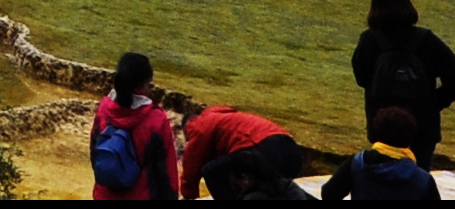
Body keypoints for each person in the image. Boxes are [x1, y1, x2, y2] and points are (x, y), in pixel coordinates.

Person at [354, 0, 455, 150]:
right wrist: (432, 103)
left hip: (383, 127)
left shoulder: (369, 40)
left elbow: (362, 79)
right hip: (423, 127)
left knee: (384, 173)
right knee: (419, 175)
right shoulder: (427, 40)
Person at [94, 52, 184, 201]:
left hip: (104, 194)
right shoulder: (156, 119)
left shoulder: (104, 109)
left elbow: (95, 153)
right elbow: (167, 172)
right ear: (144, 84)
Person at [178, 102, 306, 201]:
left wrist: (189, 195)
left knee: (212, 172)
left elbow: (192, 163)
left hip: (266, 148)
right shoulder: (226, 119)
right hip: (292, 151)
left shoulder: (198, 125)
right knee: (276, 188)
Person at [320, 106, 440, 206]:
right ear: (410, 140)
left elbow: (328, 194)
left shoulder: (358, 163)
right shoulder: (423, 180)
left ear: (377, 132)